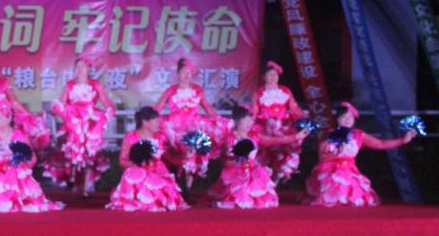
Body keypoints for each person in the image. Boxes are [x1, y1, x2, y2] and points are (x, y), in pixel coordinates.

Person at [306, 102, 416, 207]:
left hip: (350, 170)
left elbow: (380, 143)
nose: (347, 120)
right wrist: (337, 153)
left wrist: (402, 141)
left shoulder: (358, 135)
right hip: (331, 171)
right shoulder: (331, 134)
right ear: (338, 119)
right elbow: (322, 157)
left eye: (350, 117)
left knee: (357, 195)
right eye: (344, 117)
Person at [0, 103, 63, 213]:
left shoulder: (19, 135)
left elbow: (30, 155)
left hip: (15, 169)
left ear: (8, 118)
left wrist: (25, 164)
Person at [207, 106, 307, 209]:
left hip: (252, 171)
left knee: (259, 176)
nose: (249, 123)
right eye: (246, 120)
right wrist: (232, 158)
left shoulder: (254, 136)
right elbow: (223, 159)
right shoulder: (229, 138)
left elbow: (275, 140)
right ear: (237, 121)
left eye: (250, 120)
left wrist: (296, 137)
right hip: (234, 173)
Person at [154, 58, 227, 193]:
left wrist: (220, 119)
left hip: (194, 126)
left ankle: (188, 188)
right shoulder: (171, 90)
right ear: (178, 73)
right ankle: (175, 184)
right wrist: (148, 118)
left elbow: (207, 107)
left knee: (192, 153)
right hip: (175, 128)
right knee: (176, 154)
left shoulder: (197, 89)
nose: (187, 75)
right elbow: (158, 107)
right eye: (184, 72)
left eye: (189, 72)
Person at [47, 57, 116, 197]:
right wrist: (58, 110)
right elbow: (61, 103)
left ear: (89, 69)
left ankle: (86, 186)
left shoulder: (95, 84)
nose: (80, 69)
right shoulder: (69, 85)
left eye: (83, 66)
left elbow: (104, 101)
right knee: (74, 151)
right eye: (77, 66)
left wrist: (110, 110)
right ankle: (72, 177)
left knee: (90, 154)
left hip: (90, 123)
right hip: (74, 123)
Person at [106, 106, 188, 212]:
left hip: (158, 171)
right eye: (156, 121)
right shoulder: (131, 137)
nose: (159, 124)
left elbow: (170, 157)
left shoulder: (161, 137)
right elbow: (123, 161)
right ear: (145, 122)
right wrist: (140, 164)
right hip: (138, 173)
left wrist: (185, 155)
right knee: (136, 175)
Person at [252, 61, 306, 184]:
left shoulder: (285, 90)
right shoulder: (259, 93)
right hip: (265, 128)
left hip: (283, 128)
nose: (273, 77)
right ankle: (265, 183)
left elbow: (294, 108)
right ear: (264, 77)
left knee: (282, 156)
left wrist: (302, 119)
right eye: (270, 75)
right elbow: (254, 111)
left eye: (275, 75)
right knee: (265, 157)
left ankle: (275, 182)